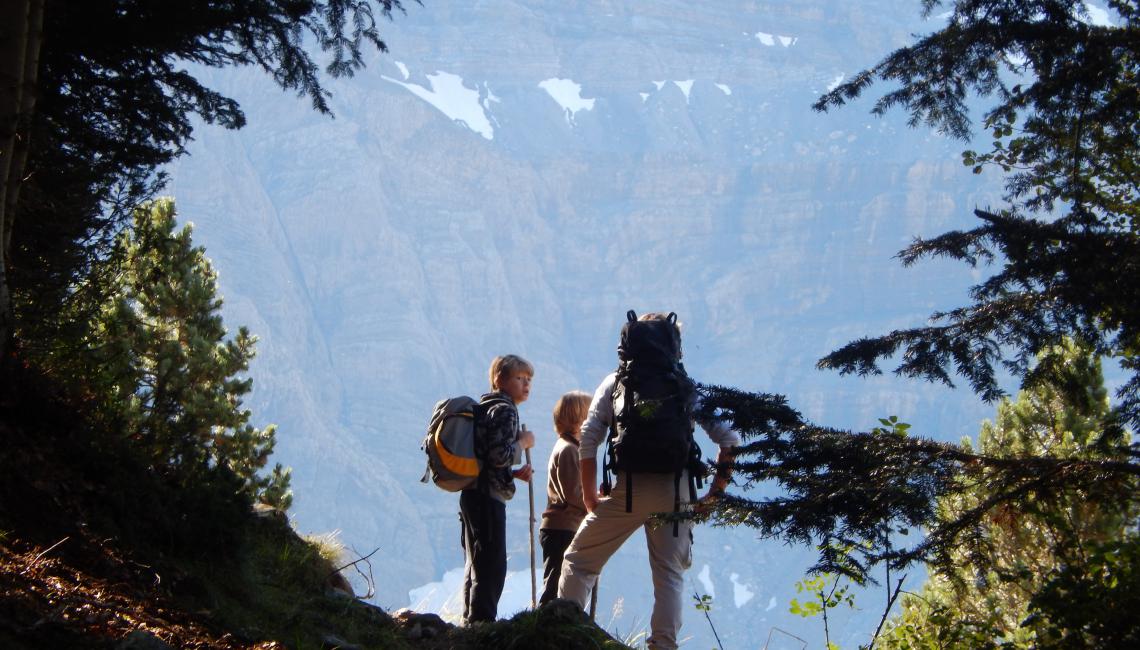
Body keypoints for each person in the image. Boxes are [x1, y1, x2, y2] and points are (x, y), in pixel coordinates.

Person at [558, 312, 739, 650]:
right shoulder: (684, 385)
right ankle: (662, 645)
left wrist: (589, 496)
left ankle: (563, 636)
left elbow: (588, 438)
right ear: (674, 344)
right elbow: (729, 439)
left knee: (579, 561)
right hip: (676, 492)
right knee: (669, 576)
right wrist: (714, 495)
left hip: (627, 489)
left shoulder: (616, 382)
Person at [460, 354, 536, 624]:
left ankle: (470, 621)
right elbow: (497, 454)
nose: (526, 384)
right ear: (499, 379)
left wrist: (513, 473)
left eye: (528, 380)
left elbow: (487, 458)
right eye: (519, 378)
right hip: (488, 498)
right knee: (492, 565)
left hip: (470, 493)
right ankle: (482, 623)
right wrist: (523, 444)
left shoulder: (484, 407)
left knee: (476, 562)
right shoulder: (505, 410)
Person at [538, 390, 592, 605]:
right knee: (557, 582)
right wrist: (595, 501)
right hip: (563, 526)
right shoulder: (569, 450)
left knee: (559, 579)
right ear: (579, 420)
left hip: (561, 526)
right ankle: (547, 622)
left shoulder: (567, 447)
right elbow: (573, 494)